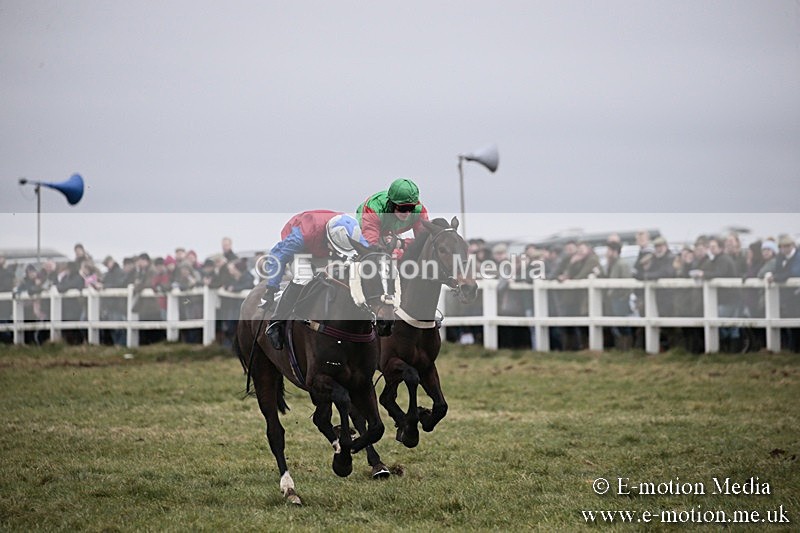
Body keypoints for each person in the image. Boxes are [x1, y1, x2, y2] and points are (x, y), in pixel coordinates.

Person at [261, 210, 369, 350]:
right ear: (329, 239)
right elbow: (278, 257)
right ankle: (276, 323)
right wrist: (271, 288)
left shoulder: (353, 231)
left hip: (322, 246)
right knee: (304, 277)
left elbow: (368, 253)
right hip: (302, 249)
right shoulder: (302, 235)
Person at [355, 178, 430, 255]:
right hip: (366, 225)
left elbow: (425, 242)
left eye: (411, 208)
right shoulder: (374, 208)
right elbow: (371, 245)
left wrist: (401, 243)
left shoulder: (419, 211)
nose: (407, 213)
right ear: (391, 204)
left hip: (391, 229)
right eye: (403, 208)